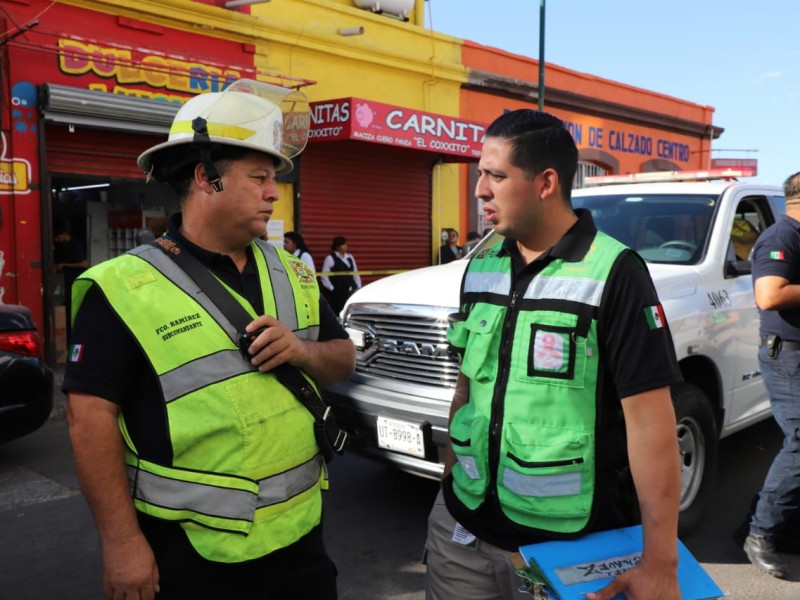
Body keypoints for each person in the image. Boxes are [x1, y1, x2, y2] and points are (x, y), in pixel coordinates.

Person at [63, 79, 355, 600]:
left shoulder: (293, 273)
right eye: (259, 177)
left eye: (274, 179)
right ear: (206, 179)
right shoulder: (123, 287)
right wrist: (122, 542)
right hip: (191, 557)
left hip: (302, 544)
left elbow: (342, 360)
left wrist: (302, 350)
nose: (273, 192)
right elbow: (89, 419)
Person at [424, 109, 683, 600]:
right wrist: (449, 478)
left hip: (567, 548)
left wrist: (660, 561)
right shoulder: (481, 265)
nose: (480, 189)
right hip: (460, 532)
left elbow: (651, 423)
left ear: (545, 182)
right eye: (481, 173)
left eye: (495, 176)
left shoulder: (616, 273)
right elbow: (468, 383)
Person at [742, 170, 800, 579]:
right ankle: (759, 533)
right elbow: (770, 294)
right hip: (788, 357)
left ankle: (786, 530)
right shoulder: (782, 237)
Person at [53, 220, 89, 339]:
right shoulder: (60, 247)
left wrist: (64, 265)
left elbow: (84, 264)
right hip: (66, 284)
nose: (57, 239)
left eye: (58, 236)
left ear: (64, 234)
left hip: (75, 282)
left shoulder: (75, 245)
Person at [320, 236, 361, 315]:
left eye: (346, 244)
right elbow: (324, 276)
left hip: (351, 290)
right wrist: (332, 289)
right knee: (338, 312)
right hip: (338, 293)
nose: (346, 246)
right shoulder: (330, 258)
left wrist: (358, 286)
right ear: (337, 247)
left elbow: (355, 273)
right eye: (344, 245)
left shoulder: (349, 257)